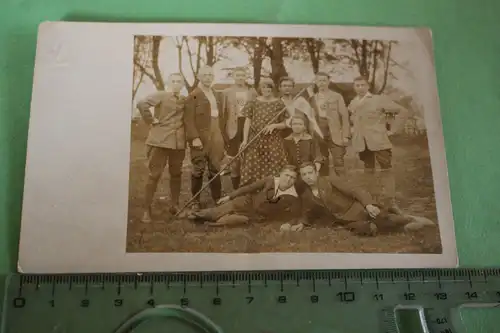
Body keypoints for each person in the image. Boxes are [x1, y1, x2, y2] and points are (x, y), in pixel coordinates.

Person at [293, 162, 434, 235]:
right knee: (367, 230)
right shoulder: (307, 194)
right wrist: (302, 223)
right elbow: (308, 212)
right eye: (304, 175)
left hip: (358, 209)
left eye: (310, 173)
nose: (308, 177)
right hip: (345, 220)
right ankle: (402, 227)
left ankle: (409, 219)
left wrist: (368, 205)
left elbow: (355, 190)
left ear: (316, 172)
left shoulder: (329, 180)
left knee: (383, 219)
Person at [348, 76, 409, 213]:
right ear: (354, 87)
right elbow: (355, 121)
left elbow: (402, 112)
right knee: (368, 170)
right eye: (357, 85)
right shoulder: (353, 103)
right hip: (362, 143)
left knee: (386, 170)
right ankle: (372, 201)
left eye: (362, 85)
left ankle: (391, 202)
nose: (360, 88)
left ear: (368, 86)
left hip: (379, 141)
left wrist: (392, 130)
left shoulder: (378, 99)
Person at [136, 73, 186, 222]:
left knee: (176, 174)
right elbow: (141, 104)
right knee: (154, 175)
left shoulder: (184, 99)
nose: (176, 84)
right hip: (159, 141)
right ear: (169, 83)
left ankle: (175, 206)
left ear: (182, 85)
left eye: (179, 82)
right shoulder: (161, 95)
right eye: (174, 81)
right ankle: (146, 209)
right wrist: (151, 120)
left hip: (178, 143)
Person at [187, 165, 302, 226]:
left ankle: (210, 223)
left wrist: (289, 224)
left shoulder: (293, 195)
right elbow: (249, 188)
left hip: (256, 216)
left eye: (292, 178)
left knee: (237, 220)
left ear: (295, 180)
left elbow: (295, 215)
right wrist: (230, 196)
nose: (288, 179)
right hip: (248, 202)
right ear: (280, 174)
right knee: (219, 211)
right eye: (286, 175)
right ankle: (193, 215)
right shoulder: (270, 180)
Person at [184, 66, 226, 211]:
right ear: (199, 76)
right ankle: (195, 201)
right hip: (200, 137)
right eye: (205, 75)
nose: (208, 77)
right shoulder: (193, 95)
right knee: (198, 169)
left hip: (216, 135)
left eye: (210, 75)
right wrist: (194, 138)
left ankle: (217, 199)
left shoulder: (215, 93)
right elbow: (188, 120)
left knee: (215, 167)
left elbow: (220, 116)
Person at [239, 78, 288, 186]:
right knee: (253, 166)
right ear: (260, 89)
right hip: (255, 140)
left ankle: (271, 190)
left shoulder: (279, 103)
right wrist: (245, 140)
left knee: (272, 166)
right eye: (264, 87)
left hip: (272, 141)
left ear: (272, 88)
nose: (266, 89)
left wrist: (274, 125)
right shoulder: (253, 102)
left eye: (269, 87)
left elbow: (285, 124)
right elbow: (247, 122)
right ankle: (253, 191)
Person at [220, 67, 258, 190]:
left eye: (243, 75)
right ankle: (236, 189)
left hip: (249, 126)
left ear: (246, 77)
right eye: (238, 75)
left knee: (249, 158)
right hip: (233, 128)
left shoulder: (252, 92)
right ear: (234, 77)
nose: (240, 78)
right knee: (234, 159)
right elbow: (223, 113)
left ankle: (248, 187)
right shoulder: (226, 92)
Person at [309, 72, 350, 177]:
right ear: (316, 82)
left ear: (328, 81)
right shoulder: (313, 98)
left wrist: (345, 135)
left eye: (324, 80)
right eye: (319, 80)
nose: (321, 83)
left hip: (334, 131)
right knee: (321, 159)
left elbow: (345, 116)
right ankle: (325, 186)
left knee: (338, 160)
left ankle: (343, 186)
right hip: (319, 131)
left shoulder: (337, 96)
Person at [283, 112, 323, 177]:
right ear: (291, 126)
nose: (297, 126)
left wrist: (316, 171)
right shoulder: (286, 141)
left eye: (300, 124)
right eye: (294, 124)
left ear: (304, 126)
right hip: (292, 173)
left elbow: (318, 157)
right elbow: (283, 159)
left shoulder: (310, 140)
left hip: (308, 173)